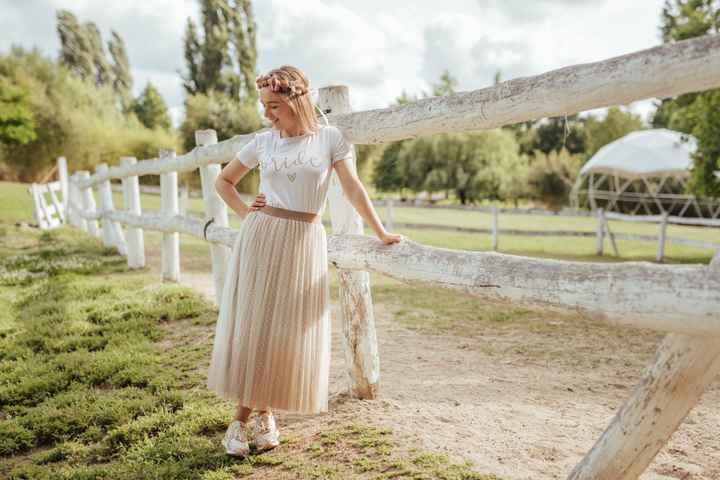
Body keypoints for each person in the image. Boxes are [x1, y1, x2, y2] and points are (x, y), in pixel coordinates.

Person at [207, 65, 402, 457]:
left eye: (274, 105)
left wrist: (380, 232)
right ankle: (241, 421)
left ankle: (265, 415)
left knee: (286, 330)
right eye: (264, 105)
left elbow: (351, 187)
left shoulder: (330, 139)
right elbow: (223, 182)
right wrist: (248, 213)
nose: (267, 114)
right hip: (263, 237)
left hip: (305, 239)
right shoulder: (263, 143)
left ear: (297, 100)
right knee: (258, 325)